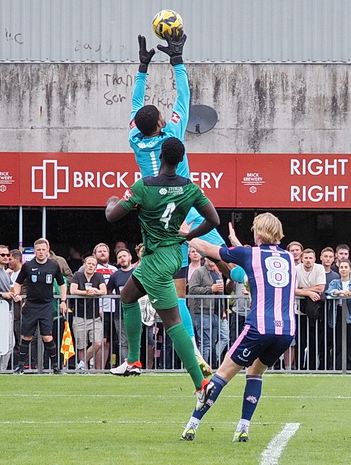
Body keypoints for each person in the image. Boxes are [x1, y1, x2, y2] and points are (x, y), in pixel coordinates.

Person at [130, 31, 226, 377]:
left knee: (176, 291)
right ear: (162, 123)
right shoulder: (172, 136)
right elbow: (183, 97)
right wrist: (176, 60)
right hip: (182, 206)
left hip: (156, 218)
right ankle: (247, 282)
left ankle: (194, 351)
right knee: (228, 255)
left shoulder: (135, 139)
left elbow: (135, 109)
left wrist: (142, 68)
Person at [105, 136, 220, 397]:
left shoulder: (144, 186)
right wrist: (189, 236)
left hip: (157, 259)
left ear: (161, 157)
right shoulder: (189, 187)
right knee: (128, 295)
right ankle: (133, 360)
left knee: (173, 322)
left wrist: (112, 200)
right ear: (180, 161)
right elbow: (214, 219)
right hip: (168, 253)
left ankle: (200, 384)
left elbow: (112, 215)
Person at [180, 212, 296, 442]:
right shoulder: (288, 258)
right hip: (286, 331)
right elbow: (242, 273)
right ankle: (243, 428)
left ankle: (192, 425)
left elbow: (209, 249)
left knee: (222, 374)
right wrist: (236, 246)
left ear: (259, 232)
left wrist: (186, 234)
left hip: (259, 326)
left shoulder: (249, 253)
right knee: (255, 373)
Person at [12, 238, 67, 374]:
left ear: (47, 251)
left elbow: (62, 283)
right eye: (38, 250)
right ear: (34, 251)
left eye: (43, 249)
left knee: (47, 336)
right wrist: (17, 294)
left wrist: (63, 300)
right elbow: (18, 282)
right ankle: (20, 367)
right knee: (27, 336)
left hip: (47, 305)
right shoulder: (28, 266)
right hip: (31, 305)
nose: (41, 252)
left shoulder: (54, 265)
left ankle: (55, 367)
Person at [69, 255, 107, 371]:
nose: (91, 266)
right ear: (84, 264)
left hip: (94, 316)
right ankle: (83, 370)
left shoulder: (98, 276)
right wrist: (87, 292)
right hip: (79, 316)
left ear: (96, 267)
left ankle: (81, 363)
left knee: (98, 343)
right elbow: (73, 290)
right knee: (81, 346)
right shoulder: (77, 275)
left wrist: (96, 291)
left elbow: (104, 291)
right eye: (89, 263)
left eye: (93, 264)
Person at [188, 257, 225, 367]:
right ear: (205, 258)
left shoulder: (217, 274)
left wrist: (222, 310)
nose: (212, 260)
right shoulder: (198, 272)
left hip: (216, 313)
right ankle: (202, 367)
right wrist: (210, 289)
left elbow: (220, 294)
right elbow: (192, 289)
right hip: (202, 312)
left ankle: (211, 365)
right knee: (205, 343)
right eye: (210, 258)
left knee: (212, 342)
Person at [295, 248, 326, 370]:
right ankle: (298, 368)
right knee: (300, 342)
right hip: (299, 311)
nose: (308, 261)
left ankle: (312, 368)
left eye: (310, 258)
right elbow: (292, 289)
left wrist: (302, 290)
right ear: (302, 259)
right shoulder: (296, 269)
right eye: (306, 258)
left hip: (315, 311)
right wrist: (308, 293)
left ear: (315, 259)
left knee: (314, 342)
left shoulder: (319, 268)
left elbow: (321, 288)